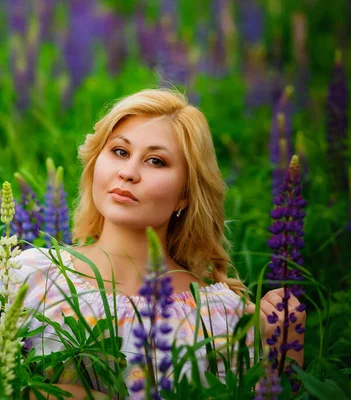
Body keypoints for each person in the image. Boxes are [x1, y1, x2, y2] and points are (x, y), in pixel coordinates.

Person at [15, 89, 306, 399]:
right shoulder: (32, 275)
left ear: (185, 193)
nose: (128, 173)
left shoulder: (222, 316)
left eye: (156, 161)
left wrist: (286, 351)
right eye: (119, 151)